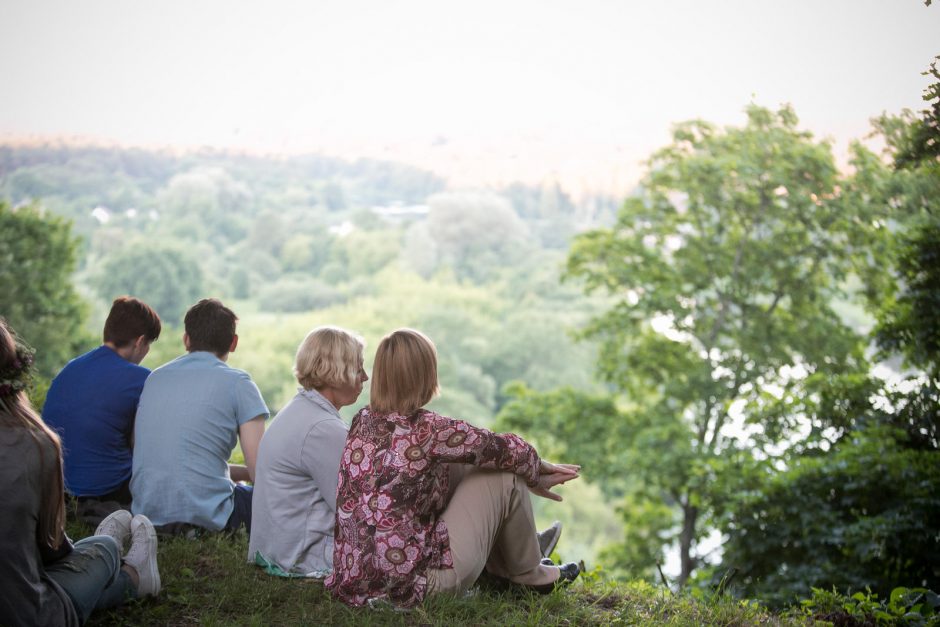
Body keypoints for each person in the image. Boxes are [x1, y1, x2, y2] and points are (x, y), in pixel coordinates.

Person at [326, 328, 581, 608]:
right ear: (425, 375)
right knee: (505, 475)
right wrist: (538, 470)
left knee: (462, 463)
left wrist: (529, 470)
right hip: (416, 587)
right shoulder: (428, 430)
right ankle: (530, 573)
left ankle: (505, 565)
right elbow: (503, 449)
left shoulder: (362, 421)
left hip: (356, 582)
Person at [0, 318, 160, 626]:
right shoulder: (36, 444)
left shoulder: (73, 367)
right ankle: (133, 576)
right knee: (105, 548)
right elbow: (52, 551)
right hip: (29, 615)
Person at [131, 298, 268, 534]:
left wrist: (241, 474)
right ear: (233, 343)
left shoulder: (155, 378)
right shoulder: (239, 383)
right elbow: (262, 473)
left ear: (186, 340)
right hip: (209, 519)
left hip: (147, 515)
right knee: (279, 499)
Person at [249, 326, 368, 578]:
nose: (365, 377)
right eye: (358, 369)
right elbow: (354, 508)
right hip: (304, 559)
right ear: (337, 372)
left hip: (278, 550)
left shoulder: (302, 411)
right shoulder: (322, 429)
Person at [43, 296, 161, 514]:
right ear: (140, 341)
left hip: (54, 487)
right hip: (106, 488)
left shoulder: (70, 368)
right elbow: (145, 445)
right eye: (149, 345)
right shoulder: (142, 378)